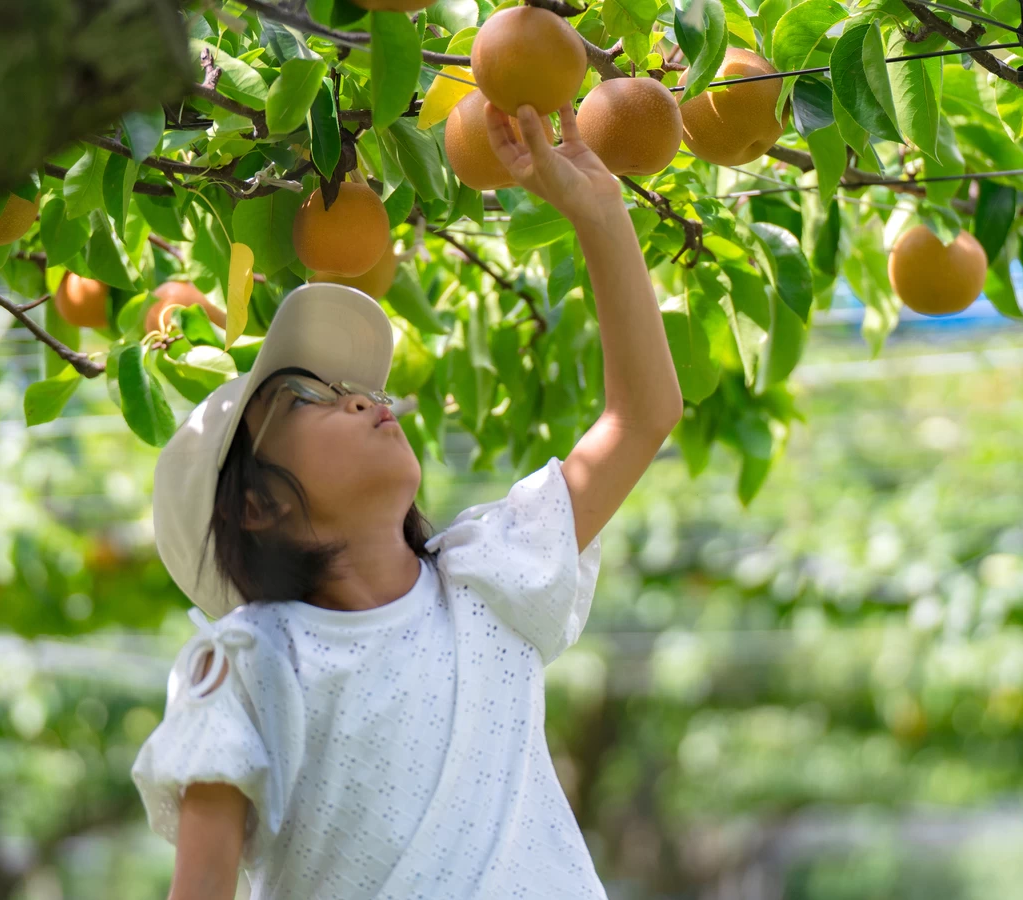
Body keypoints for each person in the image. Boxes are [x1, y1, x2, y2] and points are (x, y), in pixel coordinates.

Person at [130, 99, 683, 899]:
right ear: (257, 507)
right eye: (307, 401)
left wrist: (601, 215)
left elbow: (641, 416)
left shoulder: (488, 583)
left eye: (354, 388)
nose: (361, 400)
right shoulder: (250, 665)